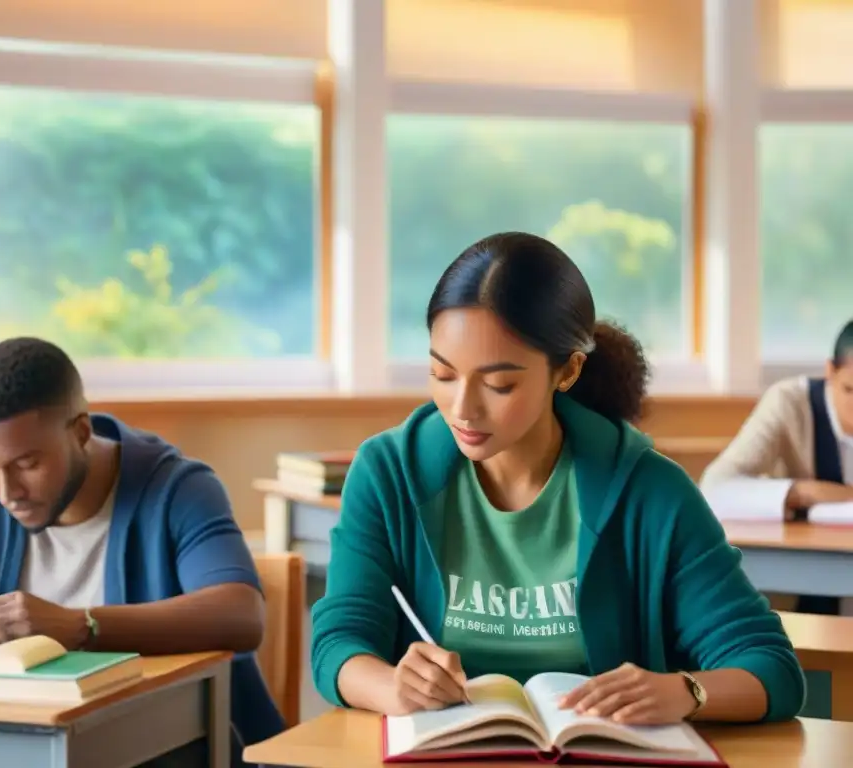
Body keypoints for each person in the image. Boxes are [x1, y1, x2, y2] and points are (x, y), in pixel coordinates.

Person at [310, 232, 804, 724]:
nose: (462, 409)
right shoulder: (388, 473)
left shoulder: (651, 492)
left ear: (566, 371)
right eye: (443, 374)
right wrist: (391, 686)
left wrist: (687, 691)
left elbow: (771, 668)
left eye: (499, 384)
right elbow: (338, 642)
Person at [0, 337, 284, 765]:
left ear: (81, 432)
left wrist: (80, 625)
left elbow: (241, 614)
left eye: (29, 464)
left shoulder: (178, 489)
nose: (8, 491)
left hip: (181, 746)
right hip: (24, 746)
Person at [700, 319, 853, 616]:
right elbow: (714, 487)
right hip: (801, 595)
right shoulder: (790, 402)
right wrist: (804, 492)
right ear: (830, 371)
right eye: (852, 389)